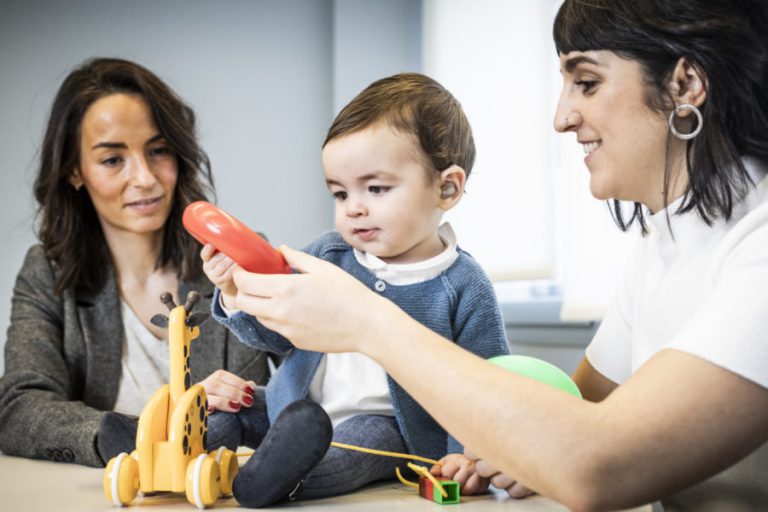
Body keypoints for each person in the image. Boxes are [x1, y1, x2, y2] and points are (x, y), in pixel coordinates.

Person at [221, 1, 768, 510]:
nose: (562, 117)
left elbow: (597, 461)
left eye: (587, 82)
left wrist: (365, 322)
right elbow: (568, 413)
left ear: (685, 83)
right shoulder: (664, 241)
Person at [201, 72, 510, 507]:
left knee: (353, 443)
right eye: (341, 193)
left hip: (384, 426)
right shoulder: (328, 255)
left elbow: (485, 384)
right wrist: (234, 292)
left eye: (376, 188)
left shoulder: (463, 286)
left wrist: (465, 455)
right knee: (228, 407)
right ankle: (167, 450)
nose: (354, 208)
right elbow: (274, 335)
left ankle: (279, 481)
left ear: (447, 187)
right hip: (290, 408)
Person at [0, 58, 270, 468]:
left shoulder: (231, 262)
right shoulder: (47, 272)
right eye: (113, 159)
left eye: (158, 150)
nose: (145, 178)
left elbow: (313, 384)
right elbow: (20, 408)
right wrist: (153, 430)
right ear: (75, 170)